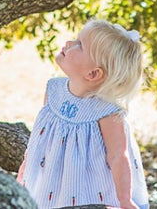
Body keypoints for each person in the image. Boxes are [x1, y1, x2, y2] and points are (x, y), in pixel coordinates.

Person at [17, 20, 149, 209]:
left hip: (89, 190)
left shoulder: (107, 113)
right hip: (51, 181)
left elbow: (118, 157)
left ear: (93, 74)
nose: (69, 43)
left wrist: (125, 200)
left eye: (80, 45)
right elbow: (42, 136)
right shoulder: (54, 91)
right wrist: (27, 165)